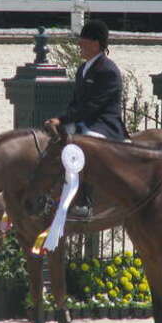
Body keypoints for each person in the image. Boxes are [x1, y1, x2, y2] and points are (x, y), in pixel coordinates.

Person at [43, 19, 126, 217]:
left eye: (83, 40)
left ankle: (85, 202)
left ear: (95, 44)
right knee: (54, 142)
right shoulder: (83, 69)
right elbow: (75, 103)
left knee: (86, 145)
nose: (79, 44)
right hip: (83, 120)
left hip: (103, 124)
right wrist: (59, 121)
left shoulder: (108, 71)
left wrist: (63, 119)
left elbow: (93, 107)